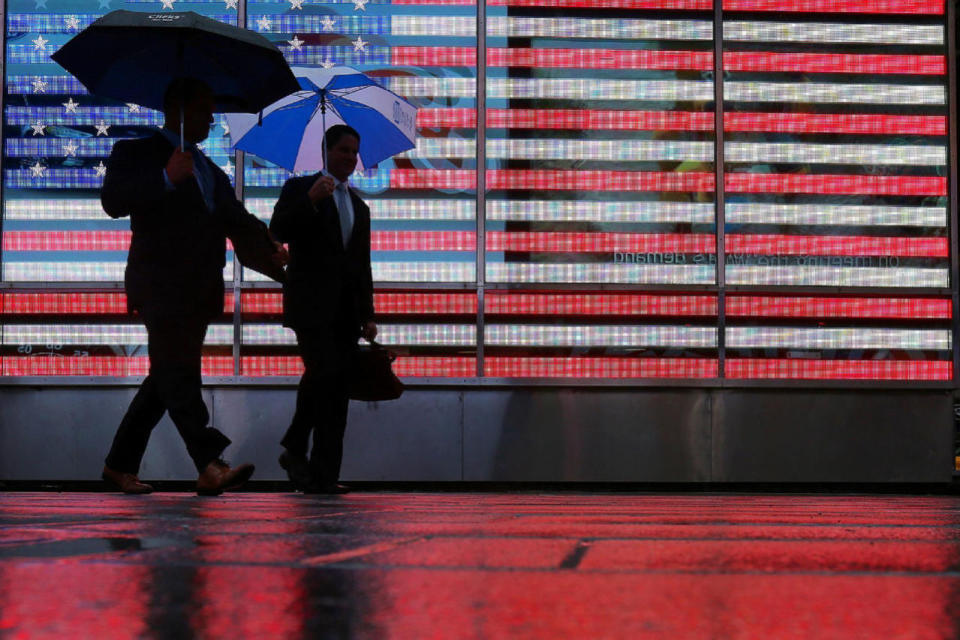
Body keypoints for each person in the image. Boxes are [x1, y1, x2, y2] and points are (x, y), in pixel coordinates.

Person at [100, 77, 288, 495]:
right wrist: (164, 178)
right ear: (179, 110)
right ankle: (208, 462)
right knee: (179, 375)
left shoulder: (207, 168)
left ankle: (118, 465)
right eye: (204, 108)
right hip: (160, 286)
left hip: (198, 291)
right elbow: (113, 201)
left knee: (165, 378)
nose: (210, 117)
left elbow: (235, 218)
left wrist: (270, 249)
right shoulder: (137, 152)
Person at [270, 124, 377, 494]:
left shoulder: (359, 207)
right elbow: (278, 229)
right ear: (326, 151)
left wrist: (367, 314)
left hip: (346, 313)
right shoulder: (300, 189)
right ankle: (296, 446)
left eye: (354, 151)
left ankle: (322, 474)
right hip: (311, 306)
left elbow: (361, 264)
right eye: (344, 150)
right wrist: (311, 200)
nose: (350, 157)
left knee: (335, 391)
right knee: (324, 373)